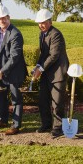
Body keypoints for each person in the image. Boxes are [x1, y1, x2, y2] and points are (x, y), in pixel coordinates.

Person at [0, 5, 28, 135]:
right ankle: (2, 120)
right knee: (0, 95)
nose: (1, 21)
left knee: (15, 99)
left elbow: (15, 57)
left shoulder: (15, 34)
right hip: (2, 70)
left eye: (3, 18)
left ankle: (15, 126)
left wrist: (2, 71)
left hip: (14, 72)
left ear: (9, 17)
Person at [33, 9, 69, 137]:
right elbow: (43, 54)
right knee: (43, 100)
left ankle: (58, 128)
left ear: (50, 21)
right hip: (47, 72)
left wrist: (40, 69)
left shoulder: (56, 34)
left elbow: (54, 55)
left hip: (58, 73)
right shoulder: (42, 34)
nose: (41, 25)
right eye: (39, 23)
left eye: (43, 22)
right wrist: (37, 66)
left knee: (57, 103)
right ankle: (46, 124)